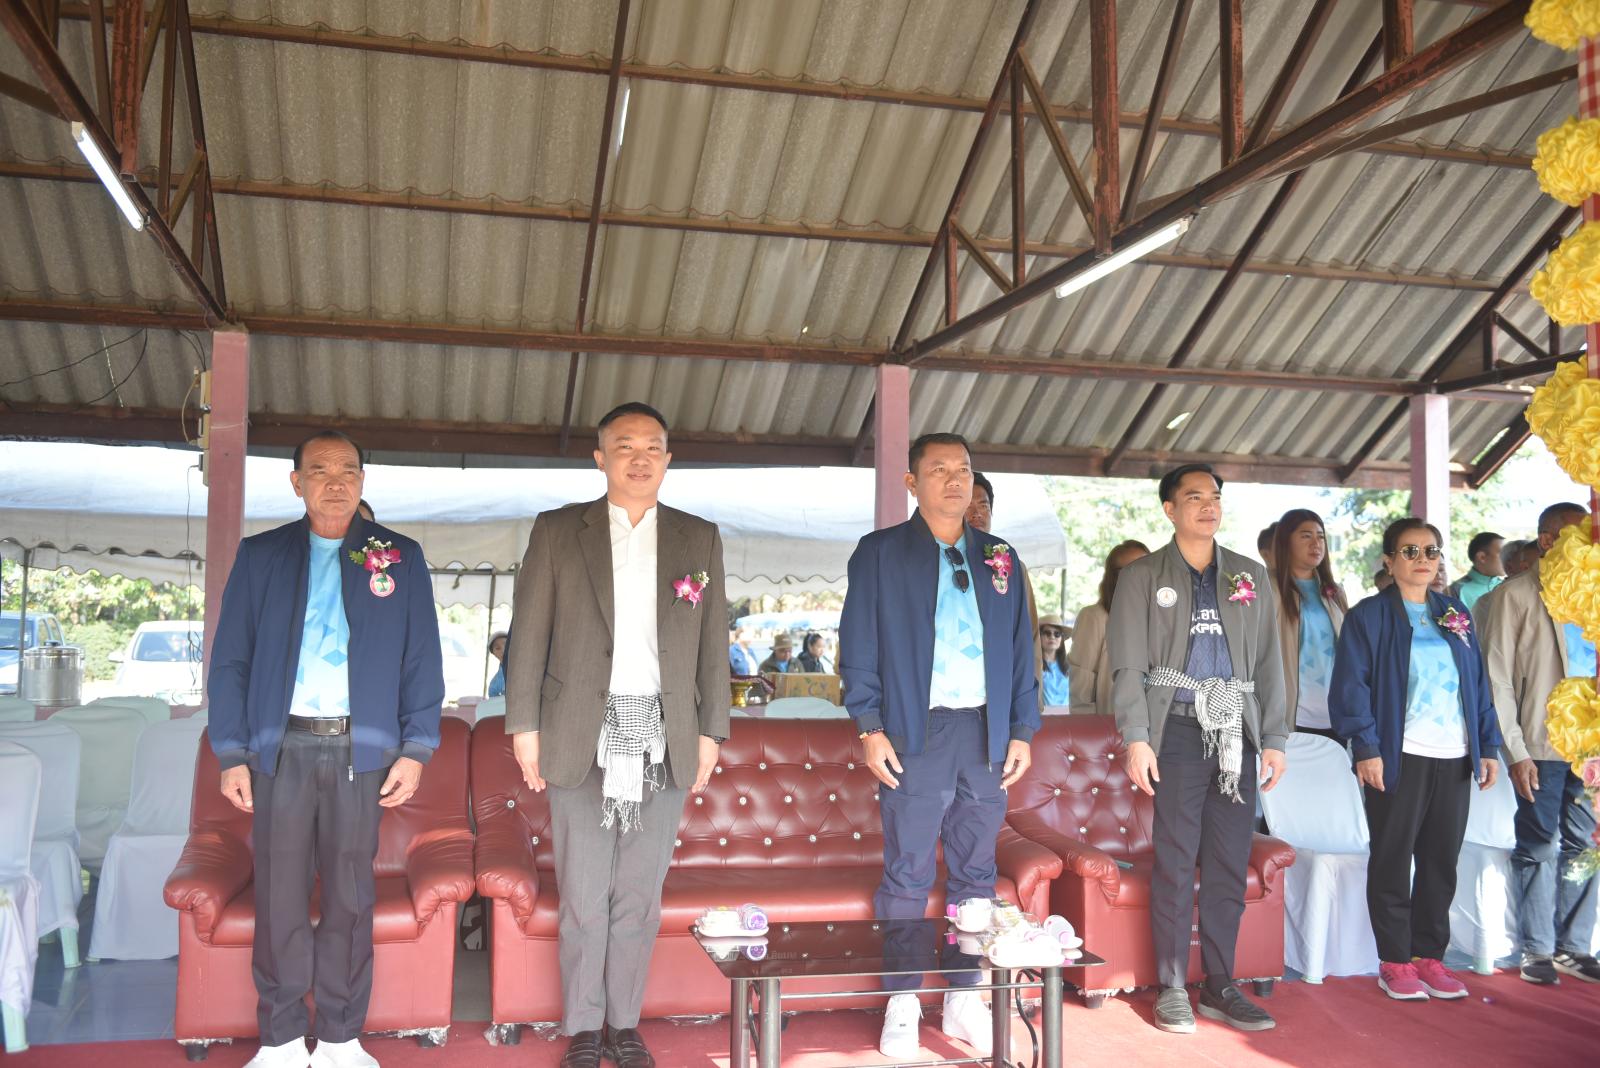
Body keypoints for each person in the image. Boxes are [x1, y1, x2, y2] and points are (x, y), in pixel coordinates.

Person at [209, 430, 444, 1068]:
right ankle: (282, 1039)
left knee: (350, 896)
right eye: (319, 470)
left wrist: (416, 749)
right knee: (278, 894)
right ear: (297, 483)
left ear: (363, 480)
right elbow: (230, 660)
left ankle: (341, 1036)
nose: (335, 481)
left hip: (360, 751)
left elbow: (421, 657)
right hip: (279, 748)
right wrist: (231, 752)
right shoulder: (262, 555)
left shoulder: (398, 556)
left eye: (348, 469)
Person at [504, 402, 729, 1068]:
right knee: (582, 892)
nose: (640, 458)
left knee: (639, 892)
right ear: (600, 458)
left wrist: (712, 731)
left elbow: (713, 644)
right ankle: (583, 1026)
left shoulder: (698, 537)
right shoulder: (558, 531)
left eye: (652, 447)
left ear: (668, 459)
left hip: (664, 734)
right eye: (625, 446)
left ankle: (624, 1025)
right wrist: (523, 727)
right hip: (577, 731)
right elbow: (528, 636)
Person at [840, 432, 1038, 1061]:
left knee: (977, 872)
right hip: (915, 732)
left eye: (963, 470)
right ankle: (902, 1000)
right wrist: (869, 726)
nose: (954, 481)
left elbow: (1022, 652)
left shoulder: (1000, 556)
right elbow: (858, 645)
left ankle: (963, 996)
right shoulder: (880, 552)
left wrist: (1022, 730)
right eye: (939, 469)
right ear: (912, 482)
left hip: (985, 733)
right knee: (908, 870)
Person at [1107, 463, 1286, 1035]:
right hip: (1178, 730)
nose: (1208, 506)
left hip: (1236, 730)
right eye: (1194, 498)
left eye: (1215, 497)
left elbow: (1270, 662)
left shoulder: (1250, 575)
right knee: (1177, 858)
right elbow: (1127, 665)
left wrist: (1275, 738)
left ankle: (1220, 983)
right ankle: (1171, 986)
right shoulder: (1142, 576)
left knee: (1230, 860)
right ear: (1169, 509)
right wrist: (1137, 738)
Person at [1329, 517, 1502, 1002]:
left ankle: (1429, 956)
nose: (1422, 560)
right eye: (1410, 551)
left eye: (1431, 551)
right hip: (1397, 755)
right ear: (1389, 561)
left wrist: (1487, 745)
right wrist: (1366, 748)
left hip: (1455, 755)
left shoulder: (1455, 613)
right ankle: (1395, 961)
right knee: (1392, 857)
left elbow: (1477, 684)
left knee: (1441, 861)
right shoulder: (1368, 617)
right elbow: (1350, 687)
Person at [1478, 502, 1600, 985]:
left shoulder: (1592, 588)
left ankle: (1575, 946)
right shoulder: (1515, 595)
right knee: (1539, 845)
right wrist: (1516, 750)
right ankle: (1537, 949)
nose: (1587, 540)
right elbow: (1497, 678)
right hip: (1539, 743)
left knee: (1586, 845)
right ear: (1547, 540)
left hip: (1589, 745)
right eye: (1576, 532)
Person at [1272, 510, 1348, 742]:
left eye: (1321, 536)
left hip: (1336, 713)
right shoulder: (1267, 587)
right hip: (1292, 715)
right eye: (1306, 536)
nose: (1316, 543)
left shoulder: (1335, 592)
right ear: (1286, 542)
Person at [1068, 540, 1150, 716]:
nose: (1141, 575)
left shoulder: (1159, 619)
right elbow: (1082, 680)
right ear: (1115, 577)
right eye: (1131, 570)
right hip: (1110, 724)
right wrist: (1087, 726)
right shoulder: (1094, 617)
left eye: (1148, 567)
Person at [1448, 531, 1504, 612]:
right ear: (1482, 557)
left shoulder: (1507, 586)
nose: (1508, 559)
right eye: (1503, 553)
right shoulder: (1456, 591)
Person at [1038, 613, 1071, 707]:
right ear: (1039, 636)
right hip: (1042, 715)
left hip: (1068, 714)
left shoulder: (1070, 665)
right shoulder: (1033, 666)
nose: (1052, 637)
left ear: (1061, 638)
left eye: (1057, 634)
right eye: (1047, 633)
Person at [487, 631, 508, 698]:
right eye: (498, 648)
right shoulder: (494, 685)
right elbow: (493, 701)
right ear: (493, 653)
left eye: (506, 645)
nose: (503, 650)